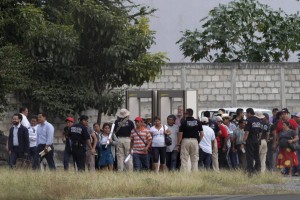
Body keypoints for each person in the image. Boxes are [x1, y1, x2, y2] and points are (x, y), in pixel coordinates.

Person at [243, 108, 262, 175]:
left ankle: (250, 171)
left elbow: (247, 132)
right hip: (256, 140)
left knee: (250, 156)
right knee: (257, 156)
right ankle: (257, 170)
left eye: (246, 113)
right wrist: (258, 139)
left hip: (250, 140)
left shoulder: (249, 121)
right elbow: (260, 133)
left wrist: (244, 141)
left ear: (249, 113)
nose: (246, 115)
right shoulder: (258, 121)